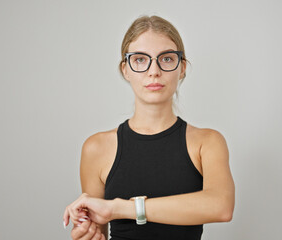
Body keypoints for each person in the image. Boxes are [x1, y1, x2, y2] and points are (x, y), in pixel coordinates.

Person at [63, 15, 235, 240]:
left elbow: (221, 206)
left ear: (181, 68)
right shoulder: (96, 148)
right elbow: (98, 232)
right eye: (140, 59)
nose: (154, 71)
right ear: (125, 69)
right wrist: (87, 235)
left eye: (166, 59)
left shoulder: (207, 142)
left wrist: (121, 208)